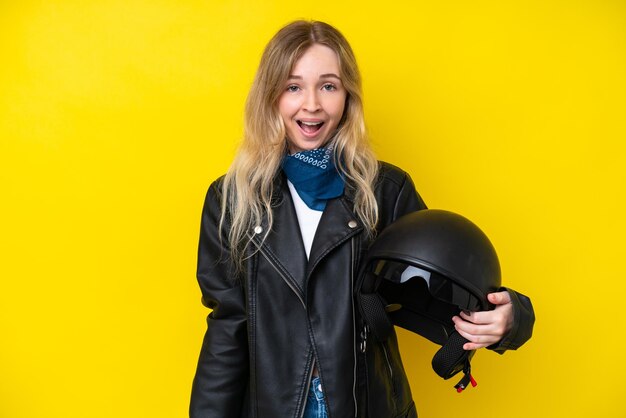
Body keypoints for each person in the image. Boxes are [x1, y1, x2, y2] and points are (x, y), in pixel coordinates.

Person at [190, 20, 534, 418]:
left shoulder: (386, 189)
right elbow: (228, 326)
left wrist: (510, 317)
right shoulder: (231, 199)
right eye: (293, 86)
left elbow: (439, 289)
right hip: (272, 406)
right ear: (271, 96)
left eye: (329, 86)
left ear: (348, 97)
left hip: (366, 404)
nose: (312, 104)